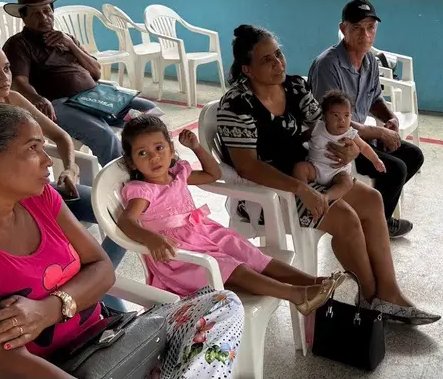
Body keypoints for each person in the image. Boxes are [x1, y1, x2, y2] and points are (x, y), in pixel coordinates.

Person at [0, 103, 245, 379]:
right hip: (51, 372)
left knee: (221, 305)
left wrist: (48, 310)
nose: (46, 161)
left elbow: (103, 269)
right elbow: (7, 364)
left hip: (106, 345)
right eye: (33, 148)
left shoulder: (40, 201)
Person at [217, 24, 439, 324]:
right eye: (266, 60)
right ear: (247, 68)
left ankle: (389, 291)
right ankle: (372, 298)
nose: (278, 63)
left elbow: (328, 127)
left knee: (372, 199)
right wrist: (299, 189)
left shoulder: (294, 87)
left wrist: (349, 149)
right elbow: (248, 166)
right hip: (269, 191)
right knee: (346, 217)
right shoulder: (236, 104)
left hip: (311, 175)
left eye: (278, 54)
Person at [0, 40, 128, 311]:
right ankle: (88, 288)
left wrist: (70, 169)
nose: (4, 77)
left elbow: (61, 137)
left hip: (43, 192)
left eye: (6, 68)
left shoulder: (13, 100)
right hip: (6, 203)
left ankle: (89, 282)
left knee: (123, 215)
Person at [118, 115, 343, 315]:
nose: (154, 158)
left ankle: (314, 282)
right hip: (179, 253)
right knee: (235, 268)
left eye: (159, 148)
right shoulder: (143, 190)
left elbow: (212, 174)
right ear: (132, 161)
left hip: (203, 233)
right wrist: (151, 238)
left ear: (171, 148)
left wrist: (197, 147)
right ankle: (296, 295)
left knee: (251, 255)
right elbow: (126, 221)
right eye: (142, 153)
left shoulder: (177, 174)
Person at [2, 0, 160, 167]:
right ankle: (122, 181)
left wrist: (71, 45)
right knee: (104, 135)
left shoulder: (66, 38)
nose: (44, 17)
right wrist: (37, 98)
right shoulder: (19, 44)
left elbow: (96, 72)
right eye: (36, 13)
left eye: (47, 11)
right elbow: (19, 81)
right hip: (59, 103)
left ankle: (150, 164)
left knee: (149, 111)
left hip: (94, 97)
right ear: (24, 17)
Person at [308, 0, 421, 239]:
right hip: (335, 144)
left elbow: (374, 100)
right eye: (357, 27)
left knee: (412, 155)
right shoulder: (328, 64)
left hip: (359, 138)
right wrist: (379, 133)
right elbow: (332, 120)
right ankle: (375, 228)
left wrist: (390, 119)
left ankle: (378, 218)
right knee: (395, 168)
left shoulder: (369, 60)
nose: (365, 34)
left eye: (370, 27)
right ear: (343, 29)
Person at [293, 90, 386, 203]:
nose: (341, 120)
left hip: (337, 173)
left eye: (346, 115)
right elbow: (301, 138)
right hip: (315, 168)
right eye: (336, 115)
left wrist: (376, 160)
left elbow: (364, 147)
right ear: (325, 116)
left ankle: (326, 197)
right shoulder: (317, 128)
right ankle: (304, 193)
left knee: (347, 182)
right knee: (300, 168)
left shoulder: (350, 134)